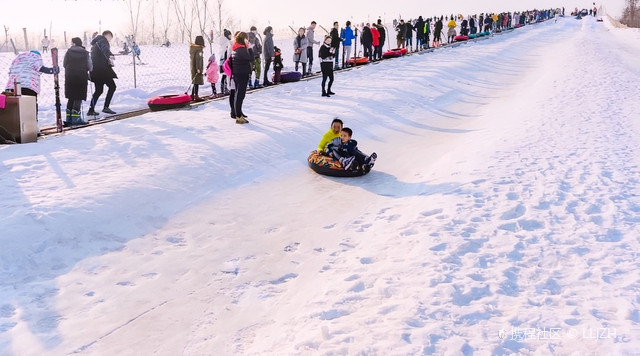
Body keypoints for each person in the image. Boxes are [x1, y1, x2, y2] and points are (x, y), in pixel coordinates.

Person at [4, 50, 59, 118]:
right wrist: (53, 70)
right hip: (27, 87)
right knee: (30, 106)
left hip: (11, 87)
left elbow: (10, 72)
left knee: (13, 107)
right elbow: (41, 68)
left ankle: (13, 124)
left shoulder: (18, 58)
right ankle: (31, 124)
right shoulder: (35, 57)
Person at [63, 37, 92, 126]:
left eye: (72, 42)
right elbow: (90, 66)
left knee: (71, 97)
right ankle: (76, 119)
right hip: (81, 76)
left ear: (74, 43)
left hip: (70, 76)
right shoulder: (85, 53)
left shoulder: (68, 52)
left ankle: (69, 118)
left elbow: (64, 64)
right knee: (78, 97)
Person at [88, 30, 117, 115]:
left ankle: (91, 110)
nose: (110, 40)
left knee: (99, 90)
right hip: (103, 70)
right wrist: (110, 55)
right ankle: (106, 107)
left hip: (95, 70)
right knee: (112, 86)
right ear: (107, 35)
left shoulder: (95, 43)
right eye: (110, 38)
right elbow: (105, 49)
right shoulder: (102, 41)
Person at [230, 31, 253, 124]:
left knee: (238, 93)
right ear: (244, 39)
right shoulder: (242, 49)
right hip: (242, 73)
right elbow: (251, 58)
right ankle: (238, 116)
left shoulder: (235, 48)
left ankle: (238, 113)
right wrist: (250, 48)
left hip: (237, 73)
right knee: (240, 94)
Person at [189, 35, 205, 102]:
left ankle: (192, 95)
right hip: (197, 68)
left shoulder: (194, 49)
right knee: (197, 82)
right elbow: (198, 59)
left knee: (195, 82)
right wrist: (198, 68)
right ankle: (196, 96)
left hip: (193, 67)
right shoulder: (199, 50)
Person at [219, 29, 232, 94]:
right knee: (226, 74)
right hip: (226, 61)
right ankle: (225, 89)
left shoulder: (223, 43)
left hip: (222, 61)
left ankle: (222, 88)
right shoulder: (227, 43)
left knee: (224, 75)